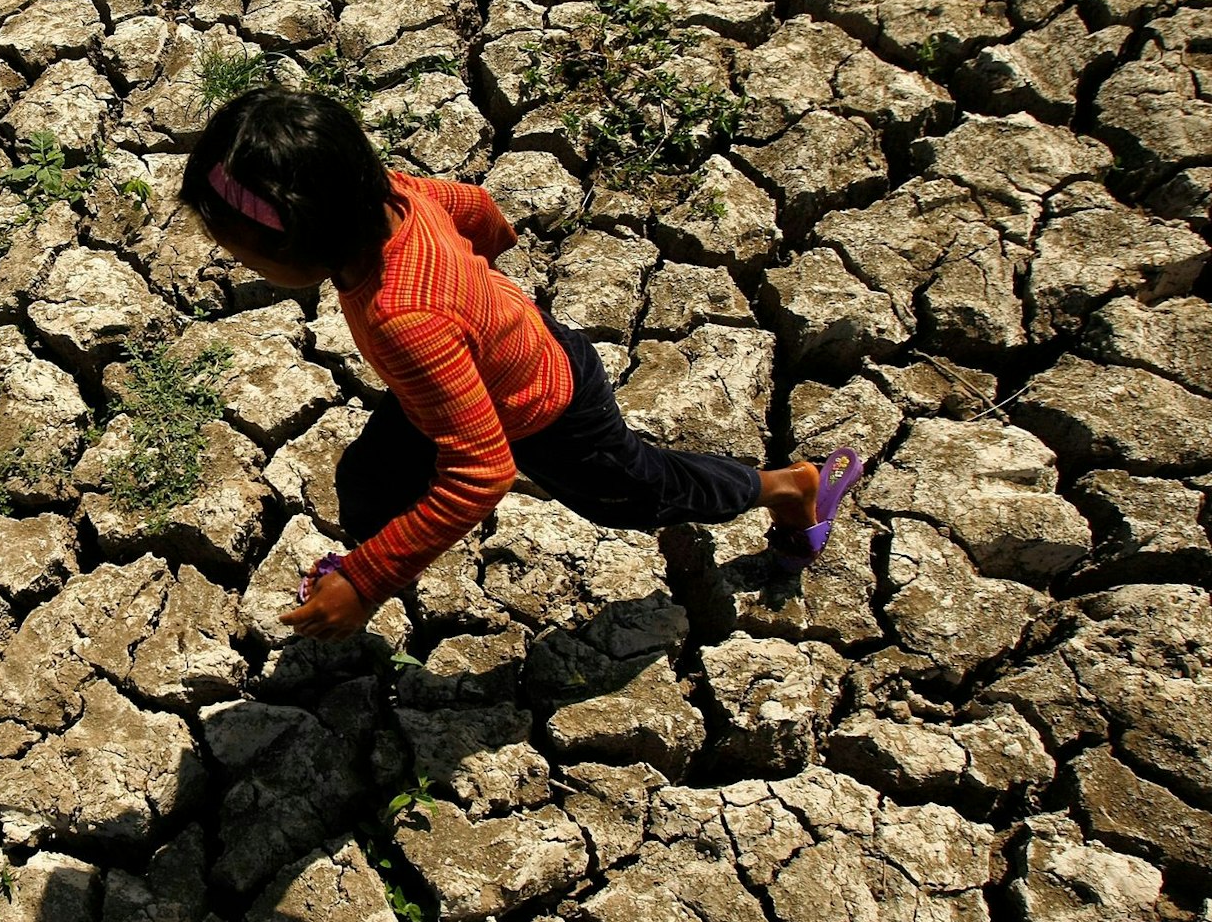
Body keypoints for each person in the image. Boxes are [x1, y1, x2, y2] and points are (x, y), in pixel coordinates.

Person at [178, 86, 862, 643]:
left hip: (549, 411)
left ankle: (787, 487)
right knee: (370, 481)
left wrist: (368, 581)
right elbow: (478, 209)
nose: (238, 263)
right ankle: (372, 560)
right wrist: (478, 291)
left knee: (642, 494)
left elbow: (481, 473)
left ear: (305, 245)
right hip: (475, 371)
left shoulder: (403, 319)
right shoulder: (393, 195)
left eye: (242, 253)